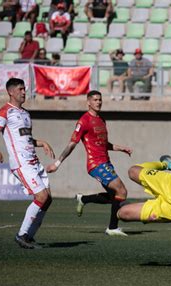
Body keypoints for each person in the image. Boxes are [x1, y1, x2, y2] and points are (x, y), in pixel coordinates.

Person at [46, 90, 132, 236]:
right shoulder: (83, 121)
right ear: (88, 102)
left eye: (100, 99)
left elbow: (103, 144)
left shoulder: (101, 120)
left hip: (106, 162)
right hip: (96, 165)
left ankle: (83, 199)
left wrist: (120, 148)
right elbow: (71, 144)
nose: (98, 102)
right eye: (95, 100)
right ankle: (112, 228)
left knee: (114, 197)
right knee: (121, 191)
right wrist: (57, 164)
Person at [0, 78, 55, 249]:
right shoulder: (4, 112)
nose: (24, 92)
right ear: (11, 91)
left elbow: (26, 139)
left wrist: (42, 143)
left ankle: (29, 237)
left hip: (34, 162)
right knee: (41, 197)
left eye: (25, 89)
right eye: (20, 89)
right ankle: (21, 235)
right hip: (21, 163)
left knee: (47, 199)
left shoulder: (25, 113)